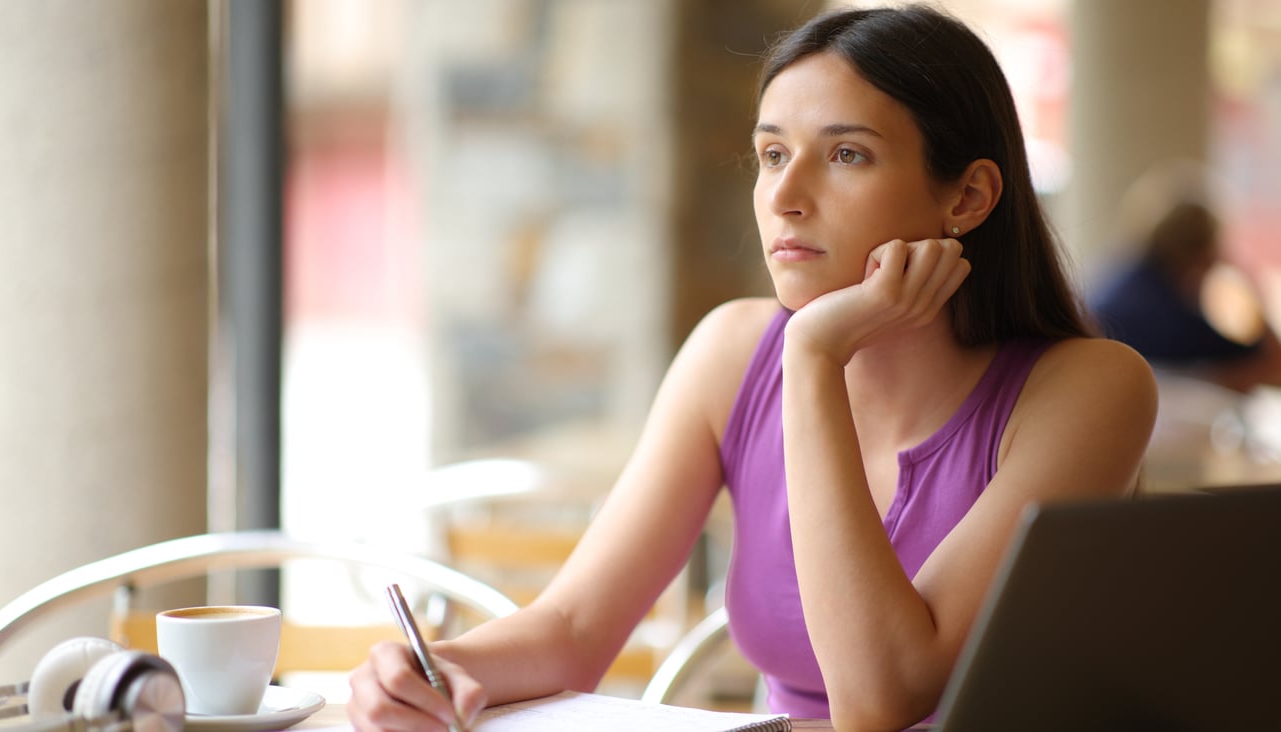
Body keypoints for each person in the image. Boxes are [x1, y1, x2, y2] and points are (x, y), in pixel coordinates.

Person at [348, 5, 1157, 731]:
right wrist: (435, 669)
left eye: (846, 154)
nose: (786, 196)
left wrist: (812, 357)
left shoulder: (1090, 388)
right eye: (773, 154)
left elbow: (881, 699)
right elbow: (574, 628)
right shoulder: (730, 352)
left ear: (970, 197)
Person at [1091, 162, 1281, 393]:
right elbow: (1272, 366)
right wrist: (1250, 282)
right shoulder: (1164, 316)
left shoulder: (1122, 283)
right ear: (1205, 251)